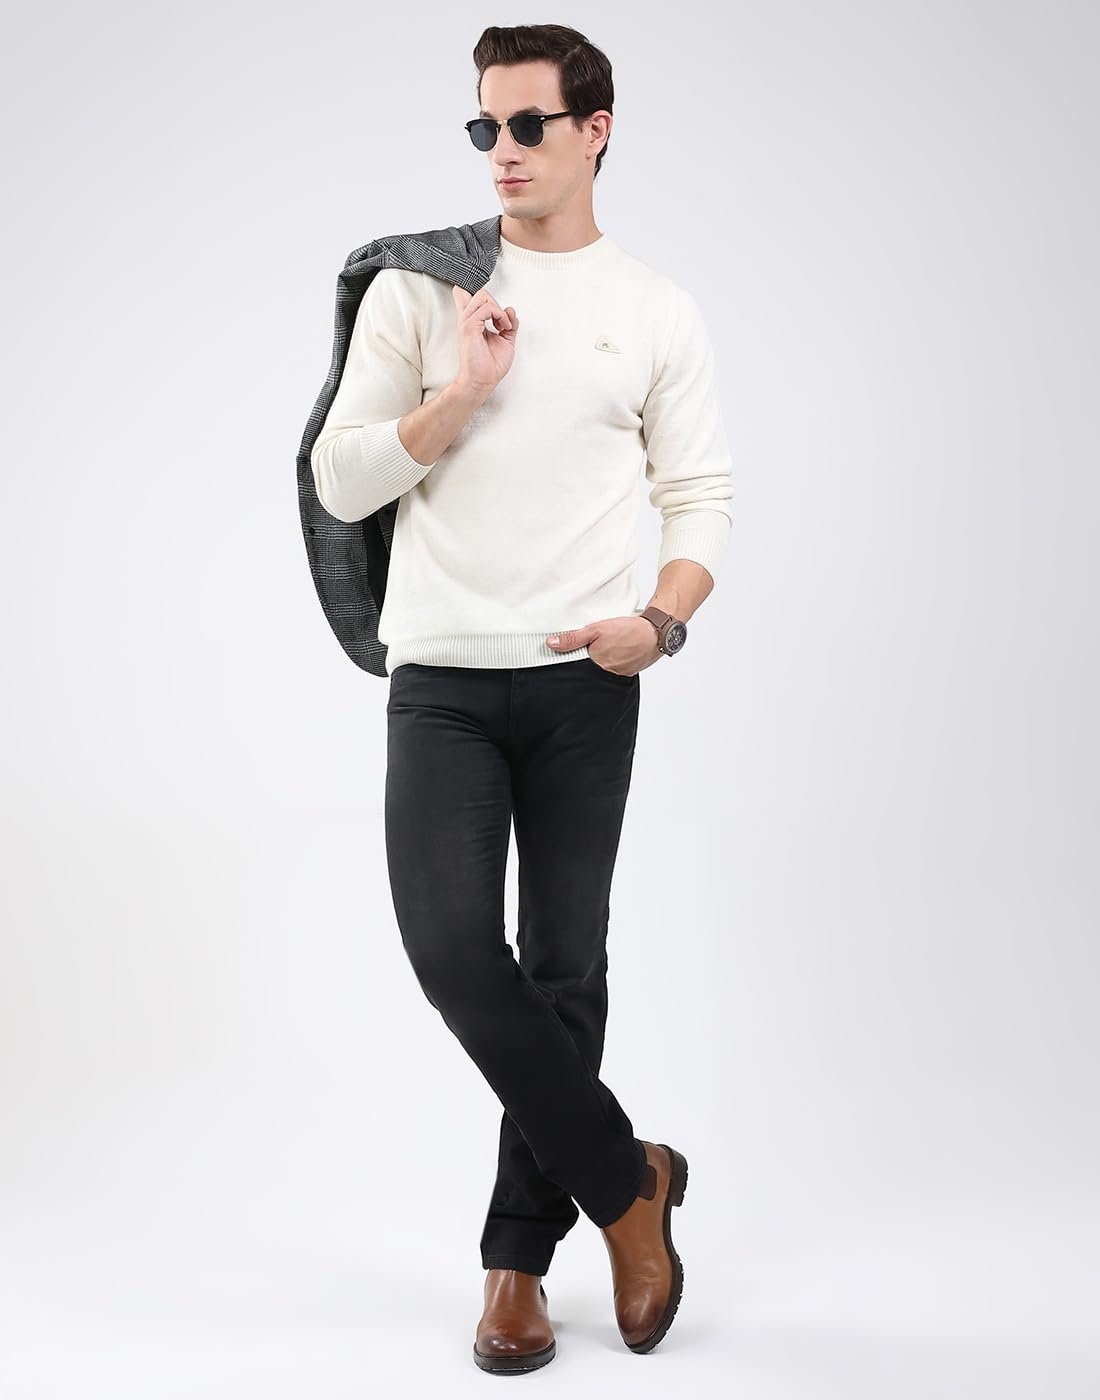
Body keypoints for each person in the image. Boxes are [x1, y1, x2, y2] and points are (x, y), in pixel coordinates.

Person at [310, 22, 731, 1373]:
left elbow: (700, 498)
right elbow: (340, 478)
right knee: (451, 949)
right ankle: (628, 1182)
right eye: (484, 126)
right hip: (442, 675)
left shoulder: (654, 309)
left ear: (595, 130)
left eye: (529, 125)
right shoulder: (422, 289)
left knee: (561, 968)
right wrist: (461, 394)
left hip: (584, 681)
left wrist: (660, 623)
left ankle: (515, 1265)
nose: (502, 150)